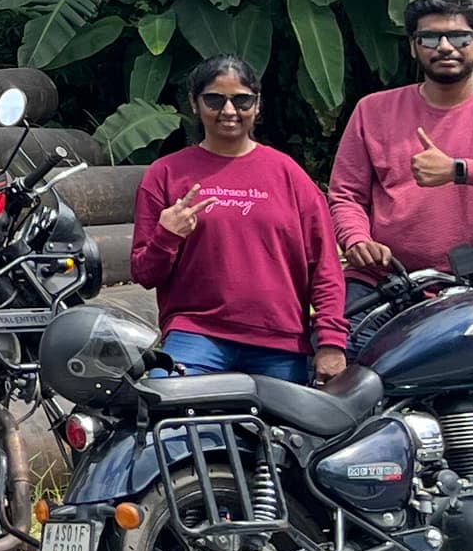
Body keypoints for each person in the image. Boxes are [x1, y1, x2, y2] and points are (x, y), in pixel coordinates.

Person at [133, 57, 347, 387]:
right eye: (215, 100)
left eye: (242, 100)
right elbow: (144, 273)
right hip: (197, 335)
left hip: (279, 341)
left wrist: (332, 342)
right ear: (194, 102)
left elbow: (325, 266)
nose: (229, 111)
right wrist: (166, 237)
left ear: (257, 105)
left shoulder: (288, 174)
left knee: (285, 438)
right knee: (165, 414)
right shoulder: (166, 174)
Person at [328, 0, 473, 327]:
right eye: (429, 37)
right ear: (414, 47)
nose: (444, 46)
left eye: (458, 37)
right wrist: (357, 239)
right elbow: (346, 195)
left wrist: (461, 170)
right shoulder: (373, 110)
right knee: (334, 361)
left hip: (464, 284)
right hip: (377, 280)